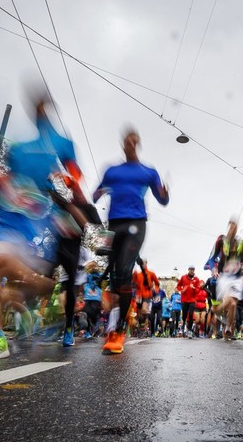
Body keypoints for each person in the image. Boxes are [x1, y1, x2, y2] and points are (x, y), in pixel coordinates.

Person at [93, 128, 169, 354]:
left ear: (139, 143)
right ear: (123, 144)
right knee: (116, 278)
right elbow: (96, 194)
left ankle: (119, 332)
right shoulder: (112, 170)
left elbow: (162, 199)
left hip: (137, 224)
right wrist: (100, 192)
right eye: (128, 140)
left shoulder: (148, 171)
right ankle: (116, 320)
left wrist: (165, 192)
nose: (131, 143)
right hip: (115, 225)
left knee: (125, 272)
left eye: (135, 140)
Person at [176, 266, 201, 337]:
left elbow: (198, 290)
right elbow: (178, 286)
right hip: (184, 300)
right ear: (188, 270)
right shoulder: (183, 277)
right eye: (190, 269)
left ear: (194, 271)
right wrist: (181, 289)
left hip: (192, 300)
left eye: (193, 270)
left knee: (190, 314)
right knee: (184, 314)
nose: (192, 271)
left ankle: (189, 330)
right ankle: (184, 325)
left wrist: (194, 288)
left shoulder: (196, 279)